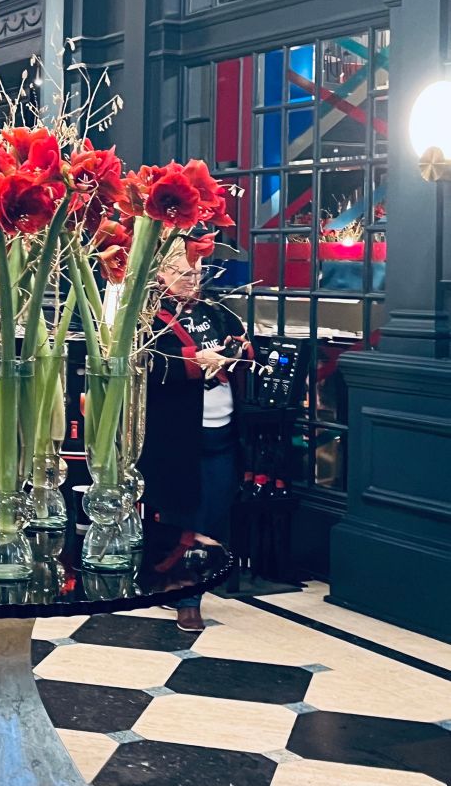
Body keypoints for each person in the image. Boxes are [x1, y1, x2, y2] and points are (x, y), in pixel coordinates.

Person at [139, 236, 252, 633]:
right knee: (183, 512)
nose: (192, 278)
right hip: (177, 436)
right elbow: (153, 364)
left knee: (216, 509)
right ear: (161, 274)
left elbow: (245, 347)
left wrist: (232, 353)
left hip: (224, 429)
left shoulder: (215, 311)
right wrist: (196, 360)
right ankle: (186, 597)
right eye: (183, 272)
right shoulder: (148, 317)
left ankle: (200, 580)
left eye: (197, 271)